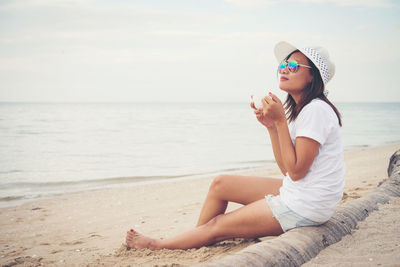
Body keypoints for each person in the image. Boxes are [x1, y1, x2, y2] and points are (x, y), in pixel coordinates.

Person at [125, 41, 345, 250]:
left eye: (294, 65)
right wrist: (272, 127)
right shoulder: (303, 111)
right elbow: (287, 170)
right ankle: (198, 236)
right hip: (302, 193)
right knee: (221, 184)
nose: (284, 69)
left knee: (218, 224)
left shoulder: (316, 110)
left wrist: (280, 121)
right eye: (283, 64)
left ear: (311, 77)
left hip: (306, 206)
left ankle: (160, 245)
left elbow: (296, 172)